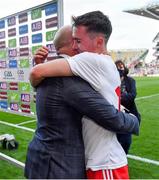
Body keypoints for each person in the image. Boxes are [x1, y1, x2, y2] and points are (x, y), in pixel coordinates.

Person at [30, 12, 139, 179]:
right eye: (74, 41)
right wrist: (133, 119)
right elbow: (109, 114)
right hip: (89, 161)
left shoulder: (91, 61)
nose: (76, 46)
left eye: (79, 41)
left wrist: (133, 120)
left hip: (104, 160)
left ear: (99, 41)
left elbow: (37, 72)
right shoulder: (80, 70)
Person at [115, 60, 141, 154]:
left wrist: (118, 97)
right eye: (118, 67)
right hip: (115, 114)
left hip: (128, 114)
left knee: (126, 140)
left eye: (121, 66)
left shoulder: (130, 81)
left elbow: (132, 95)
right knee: (116, 139)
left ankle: (123, 156)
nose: (120, 68)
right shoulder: (112, 80)